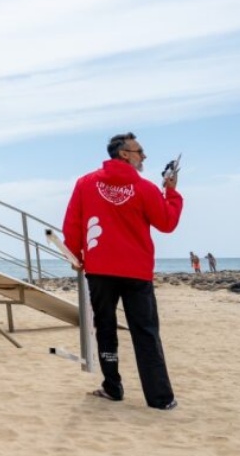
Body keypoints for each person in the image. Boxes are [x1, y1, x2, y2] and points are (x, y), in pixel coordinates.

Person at [63, 132, 183, 410]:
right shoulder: (146, 188)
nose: (144, 156)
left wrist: (75, 255)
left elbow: (72, 223)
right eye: (139, 151)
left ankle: (112, 387)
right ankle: (160, 399)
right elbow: (166, 222)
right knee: (146, 332)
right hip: (135, 271)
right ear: (124, 154)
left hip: (101, 269)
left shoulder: (85, 183)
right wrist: (172, 192)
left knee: (105, 328)